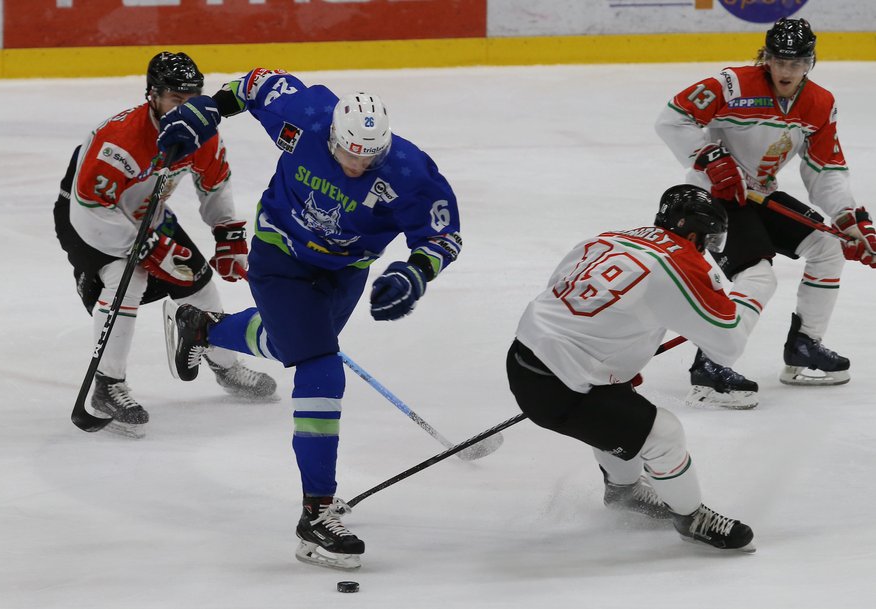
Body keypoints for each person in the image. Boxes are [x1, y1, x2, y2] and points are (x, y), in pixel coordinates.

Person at [154, 68, 463, 569]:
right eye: (349, 153)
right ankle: (316, 515)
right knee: (320, 367)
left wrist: (414, 274)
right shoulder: (307, 116)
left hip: (346, 271)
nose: (358, 165)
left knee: (288, 347)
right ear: (333, 135)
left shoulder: (409, 172)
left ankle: (204, 328)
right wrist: (208, 107)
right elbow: (256, 84)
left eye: (371, 156)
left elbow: (441, 237)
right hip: (281, 253)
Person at [508, 184, 775, 552]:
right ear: (694, 233)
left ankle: (625, 492)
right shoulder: (682, 262)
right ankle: (691, 517)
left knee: (620, 407)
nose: (709, 249)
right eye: (709, 239)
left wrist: (609, 349)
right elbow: (727, 344)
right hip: (562, 387)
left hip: (524, 358)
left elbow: (561, 290)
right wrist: (754, 287)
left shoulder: (609, 238)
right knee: (662, 434)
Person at [655, 18, 876, 409]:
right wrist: (709, 157)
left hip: (758, 195)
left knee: (827, 246)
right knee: (756, 275)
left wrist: (849, 221)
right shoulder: (731, 84)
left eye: (797, 63)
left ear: (811, 62)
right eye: (779, 61)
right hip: (713, 198)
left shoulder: (820, 104)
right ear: (766, 59)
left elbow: (825, 170)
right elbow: (672, 118)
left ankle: (804, 348)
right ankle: (709, 370)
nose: (787, 71)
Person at [53, 51, 277, 439]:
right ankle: (108, 384)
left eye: (193, 97)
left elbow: (215, 183)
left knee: (200, 283)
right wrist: (138, 249)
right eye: (177, 98)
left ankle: (224, 364)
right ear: (152, 95)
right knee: (128, 277)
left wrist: (227, 236)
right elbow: (88, 207)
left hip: (148, 216)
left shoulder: (200, 133)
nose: (186, 107)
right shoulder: (118, 141)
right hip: (88, 217)